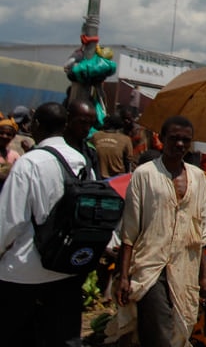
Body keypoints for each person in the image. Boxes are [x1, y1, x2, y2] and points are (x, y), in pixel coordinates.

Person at [0, 102, 92, 346]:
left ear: (36, 126)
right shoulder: (82, 162)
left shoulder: (30, 163)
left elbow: (9, 222)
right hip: (67, 268)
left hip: (24, 272)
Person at [116, 115, 206, 347]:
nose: (180, 144)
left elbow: (201, 232)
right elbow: (129, 231)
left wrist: (204, 274)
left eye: (185, 140)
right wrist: (123, 274)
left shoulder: (198, 178)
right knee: (160, 333)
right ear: (161, 138)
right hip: (150, 266)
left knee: (180, 329)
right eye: (174, 139)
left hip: (185, 268)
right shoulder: (145, 174)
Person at [91, 113, 133, 178]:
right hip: (118, 179)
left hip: (98, 178)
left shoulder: (95, 136)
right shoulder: (125, 139)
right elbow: (128, 161)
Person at [0, 116, 20, 191]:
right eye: (1, 133)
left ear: (13, 136)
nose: (5, 136)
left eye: (8, 134)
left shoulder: (14, 155)